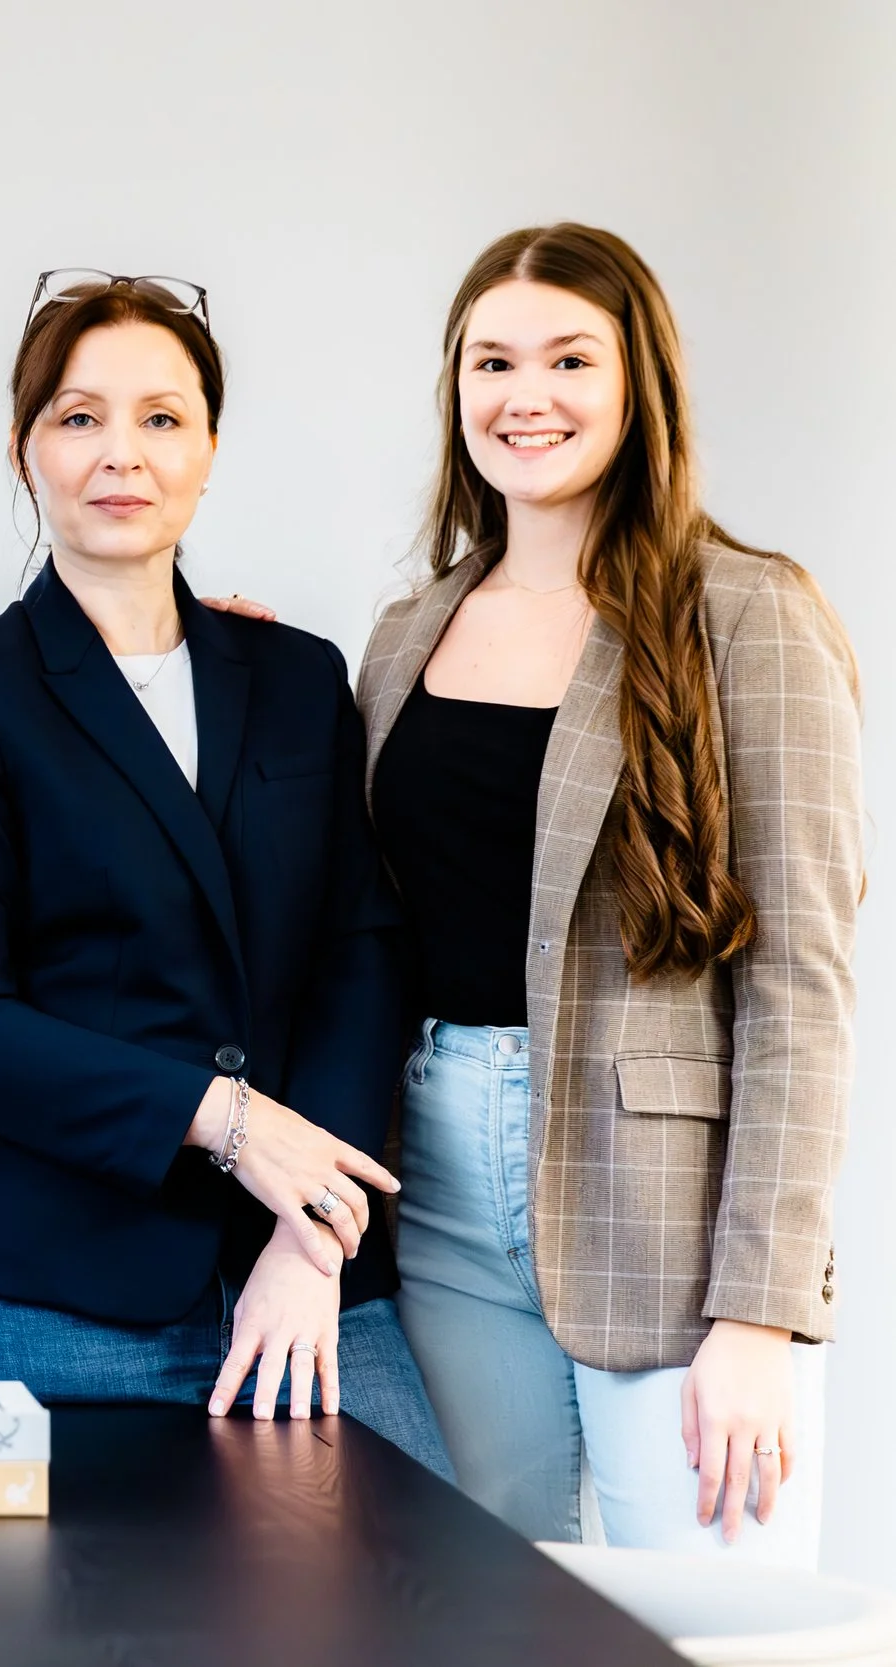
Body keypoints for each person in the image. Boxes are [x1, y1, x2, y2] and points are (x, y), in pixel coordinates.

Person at [0, 270, 449, 1474]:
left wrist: (314, 1229)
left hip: (303, 1272)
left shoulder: (296, 675)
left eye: (160, 418)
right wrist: (228, 1124)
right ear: (24, 448)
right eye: (78, 417)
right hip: (45, 1282)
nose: (118, 455)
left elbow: (359, 953)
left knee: (412, 1609)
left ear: (208, 447)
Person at [361, 223, 859, 1560]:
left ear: (641, 381)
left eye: (571, 359)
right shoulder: (410, 630)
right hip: (440, 1189)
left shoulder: (748, 612)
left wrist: (760, 1311)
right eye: (494, 361)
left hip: (668, 1213)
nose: (528, 396)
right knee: (474, 1608)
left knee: (700, 1619)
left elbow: (803, 983)